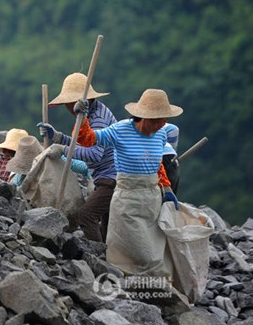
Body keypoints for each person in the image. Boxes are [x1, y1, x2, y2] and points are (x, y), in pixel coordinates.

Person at [71, 89, 181, 276]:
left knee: (153, 249)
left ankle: (151, 286)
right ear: (143, 117)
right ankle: (123, 281)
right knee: (131, 249)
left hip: (150, 199)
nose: (162, 124)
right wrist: (81, 118)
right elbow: (88, 139)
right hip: (127, 199)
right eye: (157, 120)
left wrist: (166, 187)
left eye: (164, 120)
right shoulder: (121, 130)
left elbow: (156, 164)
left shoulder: (161, 133)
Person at [37, 72, 118, 242]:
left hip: (112, 177)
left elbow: (94, 155)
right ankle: (108, 260)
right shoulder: (85, 115)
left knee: (86, 216)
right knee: (106, 223)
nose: (68, 108)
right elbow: (82, 144)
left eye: (69, 104)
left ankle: (98, 259)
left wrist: (63, 149)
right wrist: (57, 137)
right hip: (103, 177)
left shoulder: (97, 119)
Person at [162, 123, 180, 193]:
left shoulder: (127, 124)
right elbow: (174, 130)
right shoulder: (162, 125)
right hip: (170, 157)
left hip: (151, 158)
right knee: (169, 198)